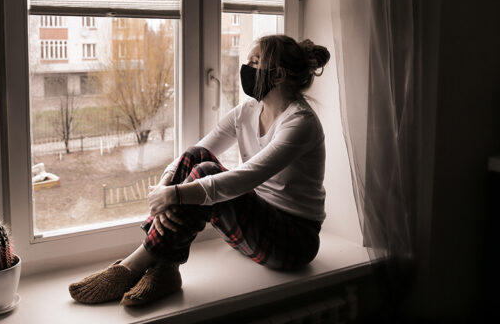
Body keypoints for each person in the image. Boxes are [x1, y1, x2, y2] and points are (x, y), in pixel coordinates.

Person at [68, 35, 330, 306]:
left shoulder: (300, 123)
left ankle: (133, 265)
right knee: (198, 157)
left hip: (292, 241)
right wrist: (167, 182)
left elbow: (247, 177)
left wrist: (174, 196)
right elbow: (198, 150)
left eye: (255, 62)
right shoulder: (248, 112)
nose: (246, 68)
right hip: (255, 228)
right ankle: (166, 268)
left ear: (276, 75)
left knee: (207, 173)